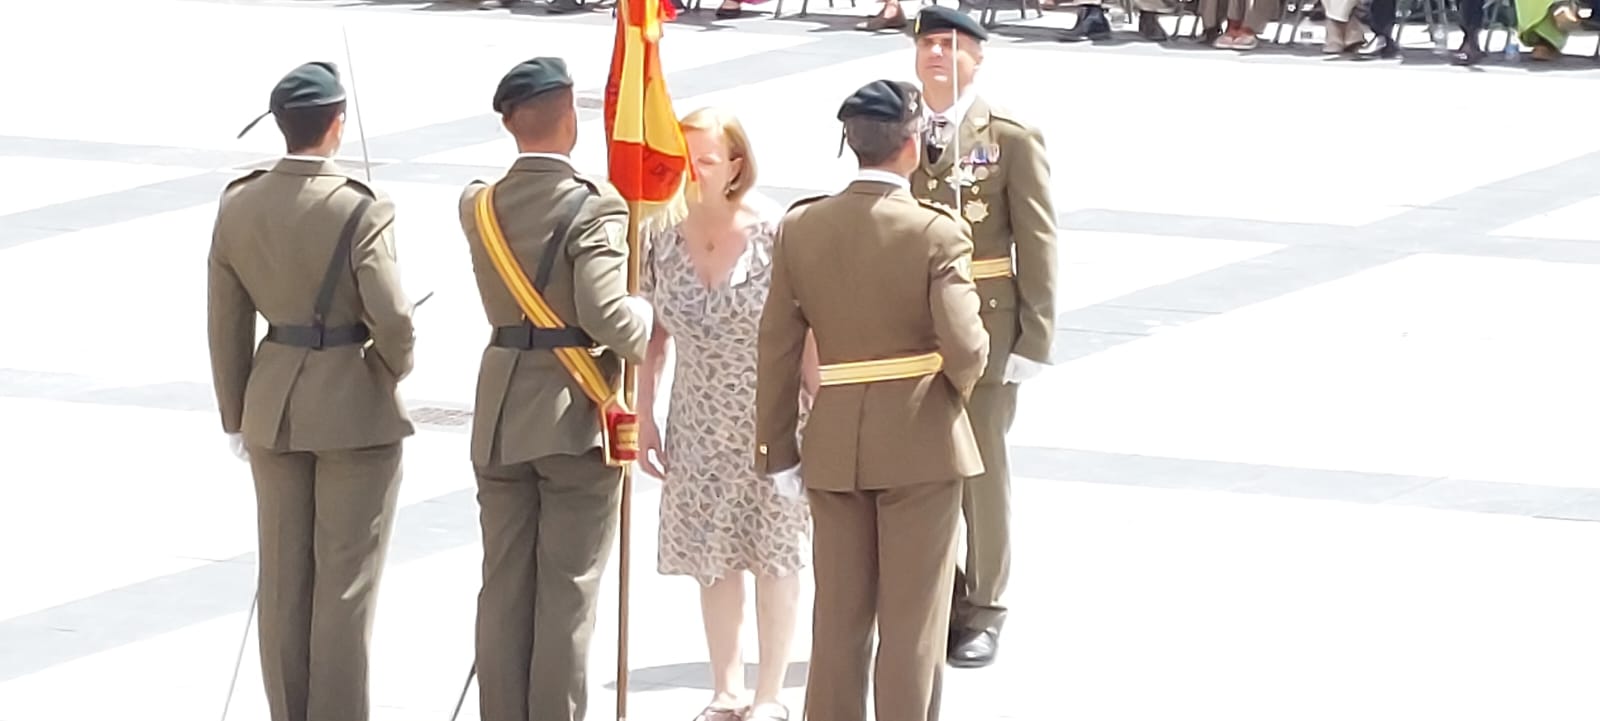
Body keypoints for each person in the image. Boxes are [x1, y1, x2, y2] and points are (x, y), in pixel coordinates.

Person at [754, 78, 990, 721]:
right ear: (911, 146)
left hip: (832, 446)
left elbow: (775, 345)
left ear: (850, 145)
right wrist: (951, 394)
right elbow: (968, 347)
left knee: (837, 625)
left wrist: (776, 451)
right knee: (912, 625)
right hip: (921, 443)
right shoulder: (934, 232)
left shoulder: (801, 227)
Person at [208, 60, 417, 721]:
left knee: (283, 582)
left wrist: (236, 412)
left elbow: (225, 320)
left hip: (273, 406)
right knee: (345, 586)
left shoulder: (239, 203)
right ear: (336, 123)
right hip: (353, 406)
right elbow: (396, 319)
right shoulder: (360, 205)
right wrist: (389, 368)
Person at [455, 57, 653, 721]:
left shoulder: (477, 203)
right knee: (567, 592)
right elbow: (604, 313)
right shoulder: (595, 205)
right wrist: (648, 325)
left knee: (503, 588)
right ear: (570, 117)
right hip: (573, 418)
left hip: (502, 412)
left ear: (511, 123)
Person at [636, 106, 816, 721]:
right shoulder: (662, 235)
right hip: (698, 418)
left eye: (705, 160)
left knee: (774, 554)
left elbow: (809, 333)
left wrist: (821, 415)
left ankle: (770, 693)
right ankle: (726, 688)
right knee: (712, 557)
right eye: (683, 157)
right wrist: (644, 416)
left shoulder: (777, 232)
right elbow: (652, 337)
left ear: (735, 166)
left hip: (772, 417)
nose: (692, 170)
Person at [908, 6, 1058, 670]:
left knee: (982, 471)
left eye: (950, 45)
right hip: (913, 328)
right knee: (921, 472)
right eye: (928, 45)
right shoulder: (904, 131)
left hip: (989, 328)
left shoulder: (1007, 138)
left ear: (976, 56)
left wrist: (1035, 336)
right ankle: (940, 594)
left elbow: (1038, 240)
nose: (936, 56)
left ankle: (986, 603)